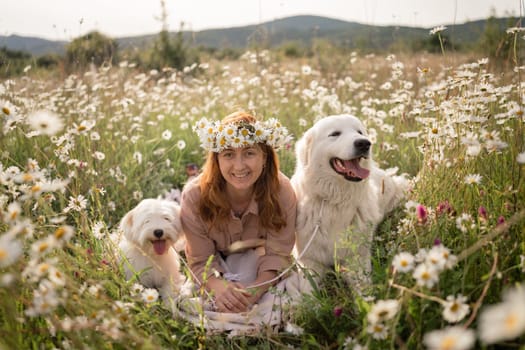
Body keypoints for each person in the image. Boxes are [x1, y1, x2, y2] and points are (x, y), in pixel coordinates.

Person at [180, 110, 296, 314]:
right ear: (217, 159)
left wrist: (255, 291)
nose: (239, 166)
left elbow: (278, 254)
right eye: (228, 154)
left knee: (282, 300)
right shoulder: (194, 196)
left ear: (264, 158)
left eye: (249, 153)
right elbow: (199, 260)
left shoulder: (281, 191)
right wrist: (218, 287)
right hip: (216, 261)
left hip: (259, 262)